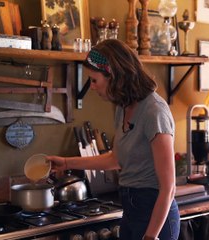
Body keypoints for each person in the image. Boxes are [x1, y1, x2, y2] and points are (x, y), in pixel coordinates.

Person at [46, 39, 180, 240]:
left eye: (94, 80)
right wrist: (66, 162)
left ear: (114, 76)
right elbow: (115, 159)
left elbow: (168, 188)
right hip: (131, 209)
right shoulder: (123, 107)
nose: (91, 87)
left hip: (155, 215)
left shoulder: (154, 112)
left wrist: (151, 237)